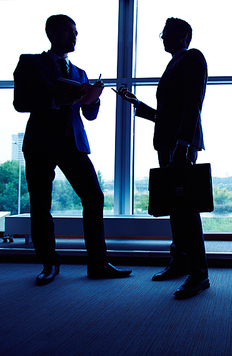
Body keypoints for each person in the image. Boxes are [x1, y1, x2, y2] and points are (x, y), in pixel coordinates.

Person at [13, 14, 132, 285]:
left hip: (74, 143)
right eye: (68, 31)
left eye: (75, 32)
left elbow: (88, 115)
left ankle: (98, 263)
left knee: (94, 196)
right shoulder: (30, 63)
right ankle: (49, 264)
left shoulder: (80, 73)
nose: (74, 36)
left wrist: (94, 99)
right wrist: (55, 99)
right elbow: (20, 102)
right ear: (51, 32)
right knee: (41, 204)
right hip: (41, 142)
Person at [115, 18, 209, 299]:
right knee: (174, 206)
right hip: (169, 142)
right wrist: (140, 106)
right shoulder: (174, 64)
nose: (163, 38)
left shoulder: (192, 58)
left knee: (186, 207)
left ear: (184, 35)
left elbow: (194, 102)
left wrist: (182, 143)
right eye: (162, 34)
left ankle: (199, 273)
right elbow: (169, 112)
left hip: (180, 143)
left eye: (167, 34)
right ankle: (180, 262)